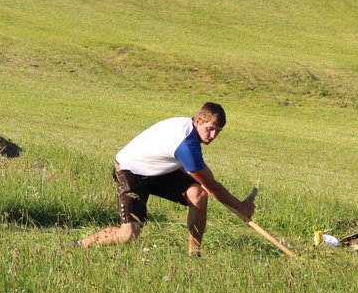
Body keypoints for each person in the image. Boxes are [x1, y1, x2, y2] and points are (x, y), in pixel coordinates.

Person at [80, 102, 256, 256]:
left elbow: (202, 181)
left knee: (198, 195)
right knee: (128, 235)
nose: (212, 136)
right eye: (210, 128)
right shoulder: (186, 144)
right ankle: (81, 245)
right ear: (197, 121)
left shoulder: (189, 131)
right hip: (130, 171)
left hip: (157, 169)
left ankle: (194, 254)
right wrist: (240, 207)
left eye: (218, 131)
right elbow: (212, 185)